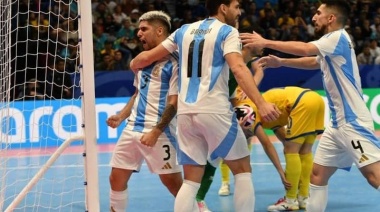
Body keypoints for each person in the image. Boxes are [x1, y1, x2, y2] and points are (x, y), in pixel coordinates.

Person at [130, 1, 281, 211]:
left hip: (185, 114)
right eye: (236, 6)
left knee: (191, 181)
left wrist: (133, 65)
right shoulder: (228, 32)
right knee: (242, 171)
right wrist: (261, 103)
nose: (239, 11)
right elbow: (238, 67)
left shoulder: (183, 30)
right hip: (214, 109)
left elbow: (145, 58)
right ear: (223, 7)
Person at [240, 1, 380, 211]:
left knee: (374, 177)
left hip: (353, 123)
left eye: (318, 13)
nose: (313, 17)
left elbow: (306, 49)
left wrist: (266, 41)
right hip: (336, 126)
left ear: (331, 18)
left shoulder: (337, 37)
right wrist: (282, 62)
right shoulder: (330, 46)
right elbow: (315, 61)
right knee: (317, 175)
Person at [195, 48, 291, 212]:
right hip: (222, 112)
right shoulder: (230, 64)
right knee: (221, 155)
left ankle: (200, 197)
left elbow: (252, 83)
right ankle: (222, 184)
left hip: (239, 110)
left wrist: (259, 72)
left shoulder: (244, 69)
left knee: (238, 157)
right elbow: (267, 144)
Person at [107, 11, 182, 212]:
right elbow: (137, 94)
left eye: (143, 29)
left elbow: (174, 104)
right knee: (116, 178)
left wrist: (156, 132)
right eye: (138, 29)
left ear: (159, 31)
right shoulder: (143, 63)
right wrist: (121, 116)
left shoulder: (174, 63)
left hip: (159, 132)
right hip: (132, 128)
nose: (138, 33)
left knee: (174, 185)